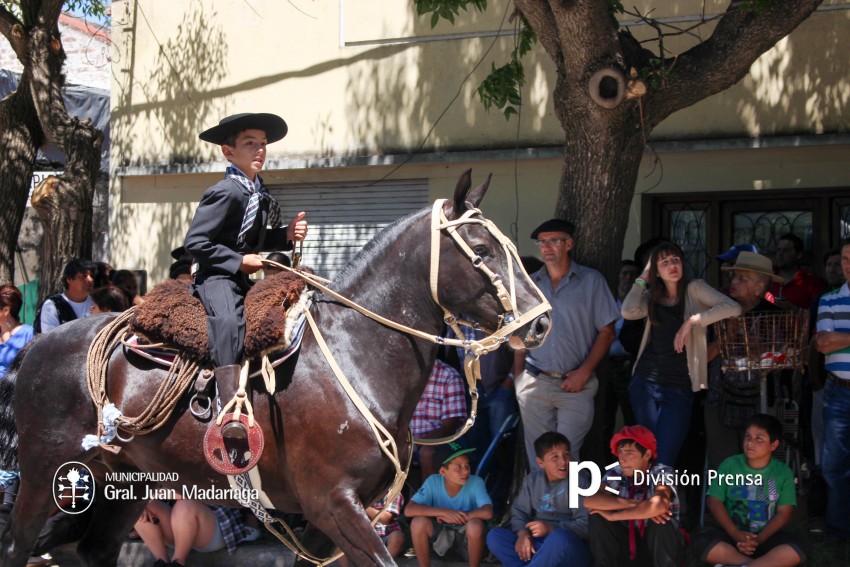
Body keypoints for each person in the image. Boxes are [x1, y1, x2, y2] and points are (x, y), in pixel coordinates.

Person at [184, 112, 308, 452]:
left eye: (263, 144)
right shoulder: (224, 192)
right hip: (215, 278)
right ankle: (230, 414)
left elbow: (251, 239)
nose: (259, 150)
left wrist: (285, 235)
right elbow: (196, 242)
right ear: (228, 152)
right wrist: (238, 262)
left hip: (239, 277)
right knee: (228, 321)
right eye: (250, 143)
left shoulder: (257, 192)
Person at [622, 241, 741, 466]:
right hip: (645, 383)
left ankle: (665, 500)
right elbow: (627, 311)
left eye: (675, 259)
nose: (672, 265)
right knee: (645, 455)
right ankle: (648, 500)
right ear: (656, 270)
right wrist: (643, 277)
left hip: (679, 386)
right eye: (664, 262)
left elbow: (733, 308)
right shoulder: (652, 297)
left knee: (665, 457)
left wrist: (693, 320)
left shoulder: (694, 288)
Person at [515, 219, 619, 465]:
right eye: (542, 242)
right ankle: (543, 505)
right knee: (539, 460)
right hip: (534, 383)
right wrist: (519, 377)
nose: (546, 247)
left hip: (575, 385)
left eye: (554, 241)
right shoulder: (530, 285)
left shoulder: (591, 281)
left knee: (567, 458)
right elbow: (521, 333)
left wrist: (584, 372)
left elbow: (607, 332)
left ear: (569, 244)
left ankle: (568, 505)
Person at [693, 414, 811, 566]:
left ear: (773, 445)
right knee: (701, 542)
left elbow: (784, 513)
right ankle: (754, 564)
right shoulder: (729, 465)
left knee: (801, 546)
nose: (750, 443)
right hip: (732, 534)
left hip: (766, 537)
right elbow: (714, 500)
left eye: (759, 439)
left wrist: (759, 539)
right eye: (748, 437)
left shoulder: (783, 472)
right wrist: (736, 534)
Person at [704, 252, 783, 469]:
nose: (734, 282)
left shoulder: (775, 316)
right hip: (719, 400)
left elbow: (782, 360)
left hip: (761, 400)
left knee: (757, 462)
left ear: (760, 287)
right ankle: (723, 502)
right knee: (724, 462)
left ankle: (755, 503)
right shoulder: (718, 312)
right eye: (734, 277)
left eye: (742, 278)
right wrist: (726, 339)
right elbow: (702, 357)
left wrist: (755, 345)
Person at [584, 425, 684, 567]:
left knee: (661, 522)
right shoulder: (617, 472)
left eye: (629, 453)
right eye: (620, 452)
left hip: (655, 547)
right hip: (626, 545)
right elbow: (590, 500)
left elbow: (660, 504)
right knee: (597, 515)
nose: (622, 459)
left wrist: (614, 516)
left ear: (647, 455)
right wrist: (635, 504)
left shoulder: (662, 472)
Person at [486, 432, 590, 567]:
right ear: (541, 462)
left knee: (559, 537)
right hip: (537, 543)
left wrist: (551, 528)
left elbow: (585, 524)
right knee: (495, 536)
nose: (563, 461)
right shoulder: (533, 480)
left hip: (568, 546)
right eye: (555, 457)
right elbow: (519, 512)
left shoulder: (578, 481)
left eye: (567, 454)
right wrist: (522, 534)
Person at [585, 259, 639, 466]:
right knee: (604, 418)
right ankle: (606, 466)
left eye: (632, 275)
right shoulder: (609, 302)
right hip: (606, 364)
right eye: (624, 274)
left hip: (629, 365)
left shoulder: (639, 305)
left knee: (631, 418)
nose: (627, 279)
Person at [814, 237, 850, 540]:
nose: (848, 265)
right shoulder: (829, 299)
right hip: (838, 391)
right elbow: (823, 343)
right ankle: (839, 531)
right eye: (845, 259)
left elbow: (834, 339)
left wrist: (844, 335)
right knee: (835, 465)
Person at [405, 441, 493, 567]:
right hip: (440, 542)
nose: (466, 471)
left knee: (475, 525)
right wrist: (444, 512)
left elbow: (488, 512)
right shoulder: (433, 481)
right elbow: (409, 510)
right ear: (443, 471)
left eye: (467, 465)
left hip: (466, 542)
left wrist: (459, 517)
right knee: (418, 522)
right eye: (458, 467)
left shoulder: (475, 482)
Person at [134, 499, 258, 567]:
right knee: (139, 506)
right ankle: (162, 563)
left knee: (184, 504)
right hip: (176, 529)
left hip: (210, 526)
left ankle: (178, 563)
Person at [410, 359, 467, 482]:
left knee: (427, 452)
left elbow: (449, 427)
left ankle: (431, 498)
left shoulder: (450, 376)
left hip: (442, 441)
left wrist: (414, 445)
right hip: (407, 442)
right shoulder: (401, 373)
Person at [338, 493, 405, 566]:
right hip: (364, 536)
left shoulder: (394, 493)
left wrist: (362, 505)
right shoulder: (363, 491)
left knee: (397, 537)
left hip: (385, 536)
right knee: (340, 539)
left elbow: (386, 519)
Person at [33, 258, 96, 334]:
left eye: (92, 276)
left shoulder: (98, 303)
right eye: (83, 276)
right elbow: (50, 340)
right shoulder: (53, 305)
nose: (90, 280)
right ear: (69, 279)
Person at [770, 232, 825, 310]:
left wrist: (794, 309)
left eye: (786, 250)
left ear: (798, 255)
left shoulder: (811, 283)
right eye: (778, 250)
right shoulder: (767, 278)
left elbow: (818, 313)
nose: (780, 254)